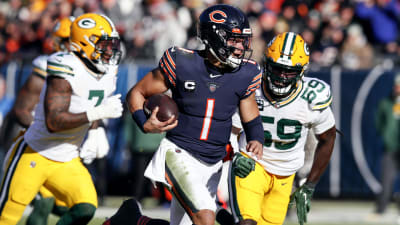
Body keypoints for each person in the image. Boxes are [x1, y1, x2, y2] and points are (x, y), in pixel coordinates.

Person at [107, 4, 264, 225]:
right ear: (213, 37)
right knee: (205, 219)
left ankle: (133, 220)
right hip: (179, 153)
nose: (240, 47)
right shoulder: (182, 62)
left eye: (242, 40)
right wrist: (144, 123)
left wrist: (256, 139)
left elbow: (251, 117)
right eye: (233, 39)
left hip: (213, 162)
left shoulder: (245, 73)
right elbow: (137, 93)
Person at [0, 13, 123, 225]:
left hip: (67, 158)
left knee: (85, 208)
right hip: (35, 153)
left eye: (111, 44)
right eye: (104, 44)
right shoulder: (64, 66)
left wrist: (95, 130)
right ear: (86, 43)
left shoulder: (108, 71)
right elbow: (54, 122)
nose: (110, 51)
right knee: (6, 219)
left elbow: (89, 102)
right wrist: (97, 114)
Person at [227, 32, 336, 225]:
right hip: (250, 165)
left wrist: (309, 185)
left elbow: (328, 139)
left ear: (301, 71)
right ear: (267, 64)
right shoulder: (251, 86)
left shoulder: (311, 98)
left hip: (286, 175)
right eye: (277, 69)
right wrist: (236, 154)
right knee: (247, 222)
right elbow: (231, 130)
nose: (281, 77)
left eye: (289, 72)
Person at [5, 16, 74, 225]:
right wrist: (48, 128)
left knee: (72, 203)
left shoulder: (84, 69)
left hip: (62, 143)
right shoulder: (46, 66)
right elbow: (22, 110)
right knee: (42, 202)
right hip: (33, 141)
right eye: (71, 40)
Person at [370, 73, 400, 218]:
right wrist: (387, 137)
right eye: (397, 85)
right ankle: (381, 208)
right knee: (386, 179)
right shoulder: (386, 103)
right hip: (391, 147)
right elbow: (379, 123)